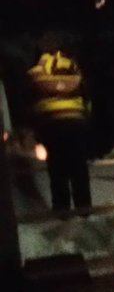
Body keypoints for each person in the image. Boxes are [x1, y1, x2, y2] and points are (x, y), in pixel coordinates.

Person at [27, 34, 92, 211]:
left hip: (52, 124)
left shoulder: (37, 71)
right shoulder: (73, 67)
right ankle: (85, 210)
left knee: (57, 169)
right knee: (79, 168)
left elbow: (30, 101)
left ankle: (62, 210)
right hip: (76, 122)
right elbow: (86, 97)